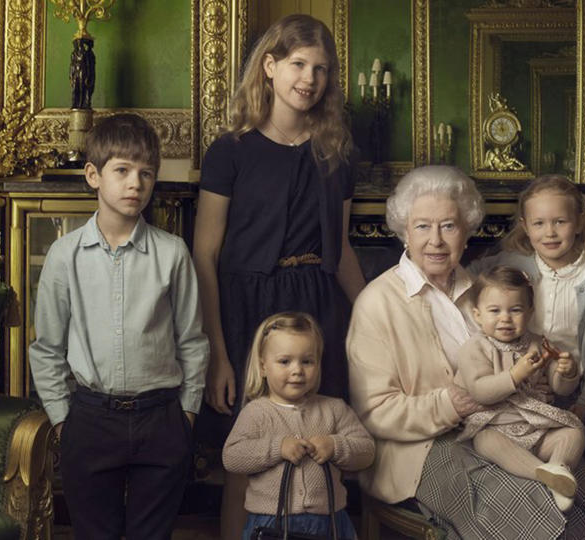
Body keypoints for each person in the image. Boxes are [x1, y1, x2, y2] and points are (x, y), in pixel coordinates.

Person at [347, 165, 585, 539]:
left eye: (449, 226)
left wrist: (538, 382)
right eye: (423, 226)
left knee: (577, 483)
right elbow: (374, 412)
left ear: (467, 231)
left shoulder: (485, 292)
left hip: (504, 424)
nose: (436, 241)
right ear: (404, 233)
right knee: (525, 499)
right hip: (420, 447)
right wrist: (450, 405)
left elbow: (523, 359)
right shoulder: (376, 302)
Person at [193, 14, 365, 538]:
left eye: (320, 69)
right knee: (245, 464)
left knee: (320, 449)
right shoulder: (230, 151)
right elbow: (205, 254)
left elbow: (342, 252)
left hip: (315, 307)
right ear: (269, 66)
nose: (308, 79)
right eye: (297, 64)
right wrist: (218, 354)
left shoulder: (335, 155)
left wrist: (375, 318)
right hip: (247, 309)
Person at [29, 113, 209, 539]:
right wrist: (61, 420)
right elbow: (47, 348)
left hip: (161, 418)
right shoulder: (64, 256)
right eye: (123, 171)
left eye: (146, 173)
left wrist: (186, 415)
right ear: (93, 175)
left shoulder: (173, 254)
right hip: (90, 419)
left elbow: (192, 341)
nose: (136, 184)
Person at [469, 174, 585, 417]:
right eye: (538, 223)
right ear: (525, 226)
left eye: (560, 221)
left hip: (571, 390)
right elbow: (468, 277)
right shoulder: (513, 263)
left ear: (580, 222)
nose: (549, 232)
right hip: (517, 383)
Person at [223, 312, 374, 540]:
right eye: (285, 361)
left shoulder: (334, 409)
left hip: (330, 522)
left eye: (307, 361)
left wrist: (335, 446)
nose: (297, 370)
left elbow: (366, 451)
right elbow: (232, 456)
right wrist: (277, 448)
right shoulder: (256, 413)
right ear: (263, 367)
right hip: (272, 521)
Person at [455, 265, 585, 512]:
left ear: (530, 312)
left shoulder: (539, 343)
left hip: (536, 427)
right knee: (485, 441)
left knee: (574, 434)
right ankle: (545, 474)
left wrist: (567, 373)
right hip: (496, 424)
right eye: (494, 311)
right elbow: (480, 391)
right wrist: (515, 375)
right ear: (477, 314)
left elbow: (560, 390)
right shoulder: (475, 348)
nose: (505, 318)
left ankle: (558, 467)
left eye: (515, 310)